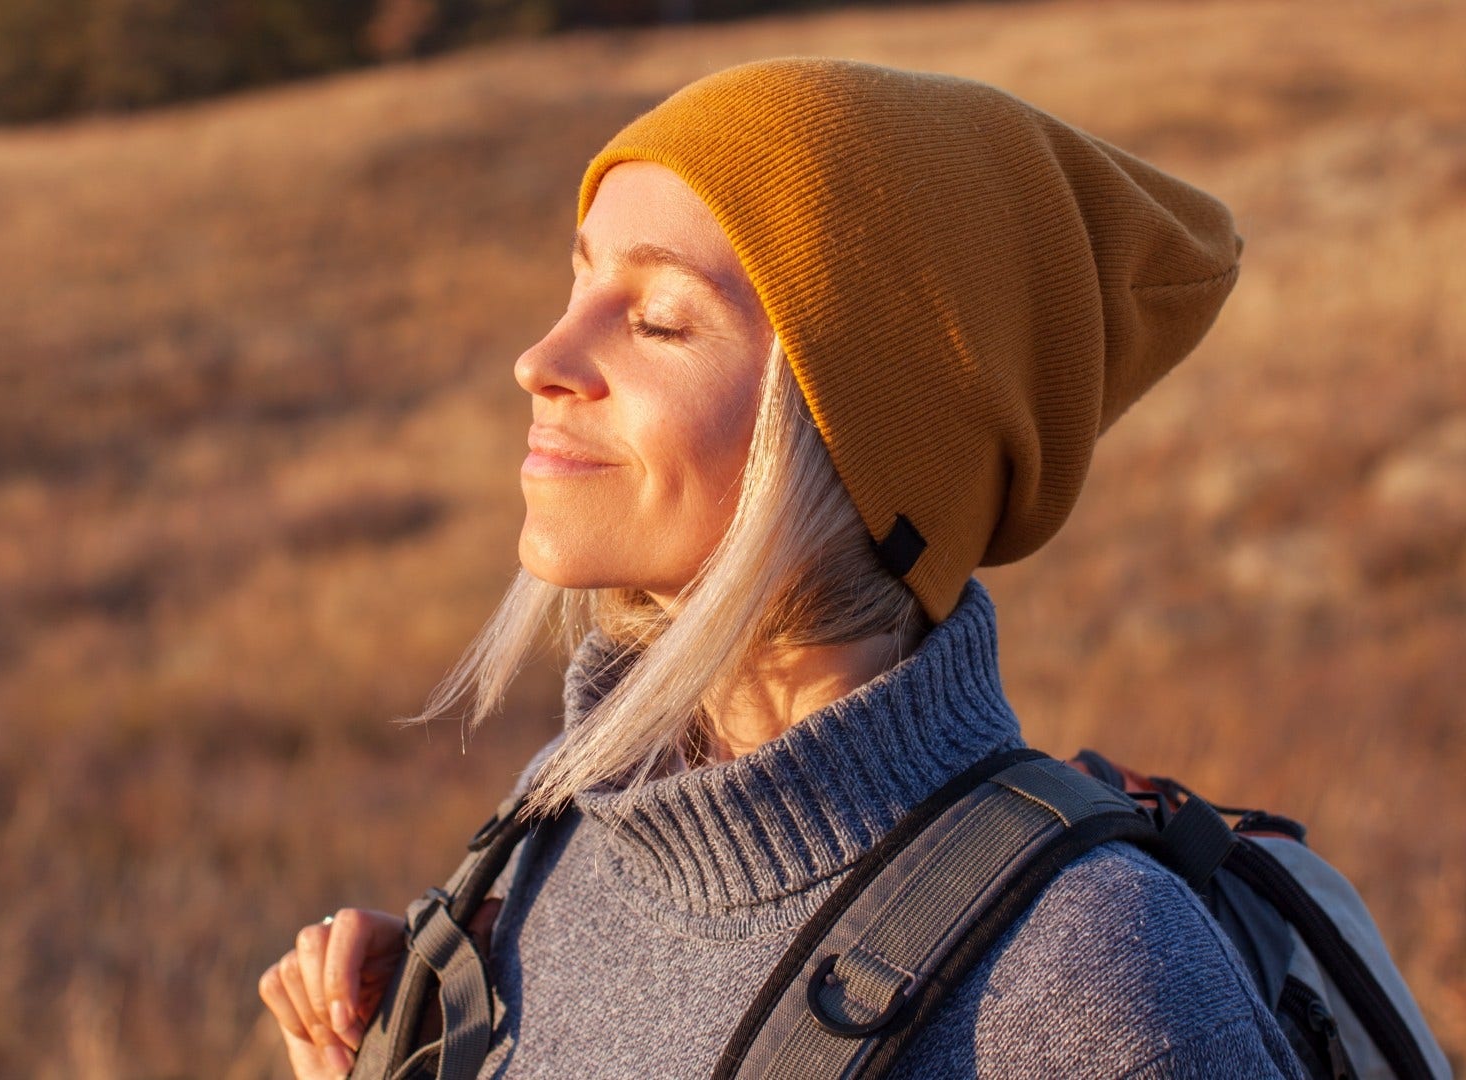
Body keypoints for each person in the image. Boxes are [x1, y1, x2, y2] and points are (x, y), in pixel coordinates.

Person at [259, 57, 1305, 1079]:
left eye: (660, 319)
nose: (541, 359)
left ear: (863, 443)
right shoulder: (563, 817)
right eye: (577, 281)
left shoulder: (1093, 984)